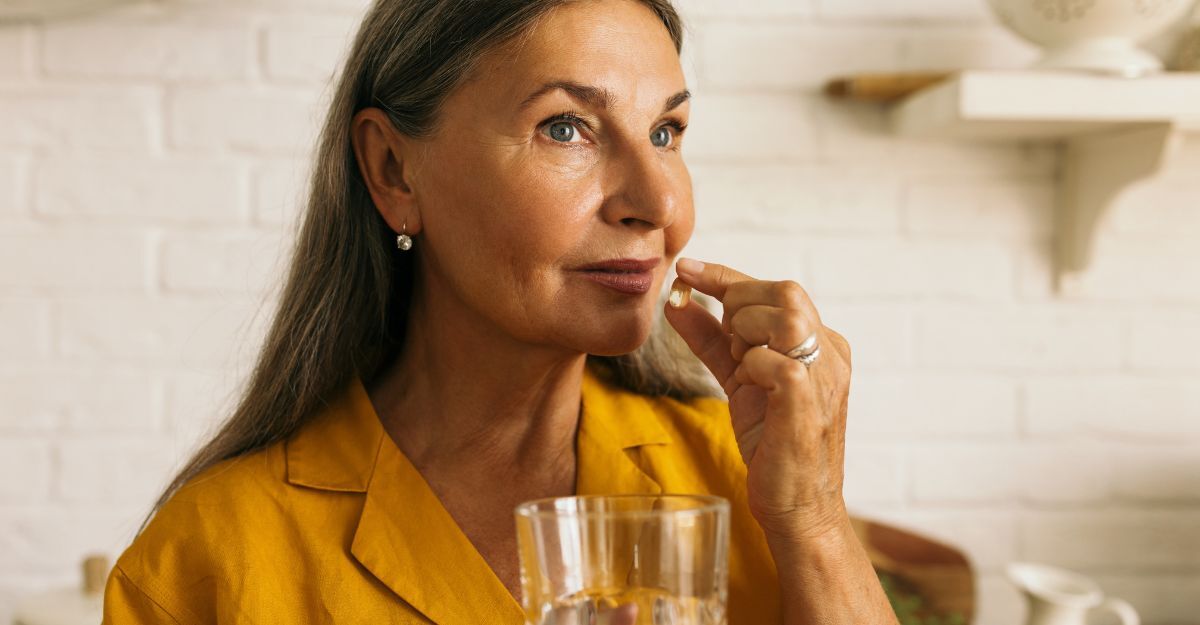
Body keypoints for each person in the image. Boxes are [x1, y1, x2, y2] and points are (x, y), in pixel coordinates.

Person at [102, 0, 897, 623]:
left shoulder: (744, 483)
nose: (657, 201)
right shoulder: (205, 560)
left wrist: (816, 521)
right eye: (566, 128)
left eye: (665, 131)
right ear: (392, 170)